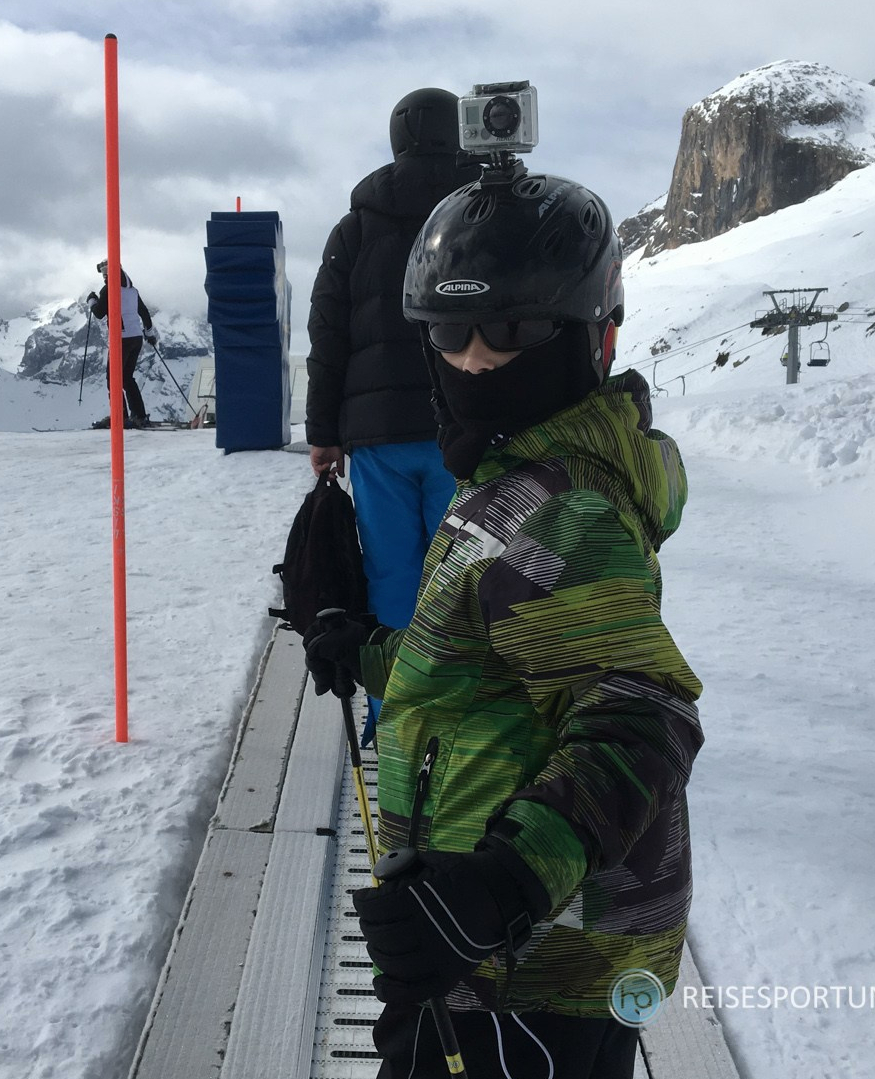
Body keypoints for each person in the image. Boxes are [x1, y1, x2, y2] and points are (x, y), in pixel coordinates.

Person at [301, 173, 705, 1079]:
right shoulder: (512, 479)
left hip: (528, 967)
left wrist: (501, 887)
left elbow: (643, 717)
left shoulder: (562, 508)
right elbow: (477, 653)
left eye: (513, 330)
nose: (477, 359)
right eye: (451, 333)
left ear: (588, 336)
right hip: (495, 950)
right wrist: (361, 647)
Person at [303, 88, 481, 745]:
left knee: (392, 575)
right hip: (459, 430)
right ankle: (465, 718)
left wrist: (324, 433)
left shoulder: (353, 229)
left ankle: (399, 716)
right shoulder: (478, 214)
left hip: (377, 439)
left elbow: (328, 337)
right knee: (463, 574)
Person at [87, 262, 157, 429]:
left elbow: (98, 313)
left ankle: (120, 417)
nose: (104, 275)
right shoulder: (132, 291)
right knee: (126, 378)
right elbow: (144, 311)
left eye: (106, 271)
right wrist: (149, 333)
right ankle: (139, 415)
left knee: (113, 379)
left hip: (121, 338)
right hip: (136, 338)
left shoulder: (110, 289)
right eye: (103, 272)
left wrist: (91, 300)